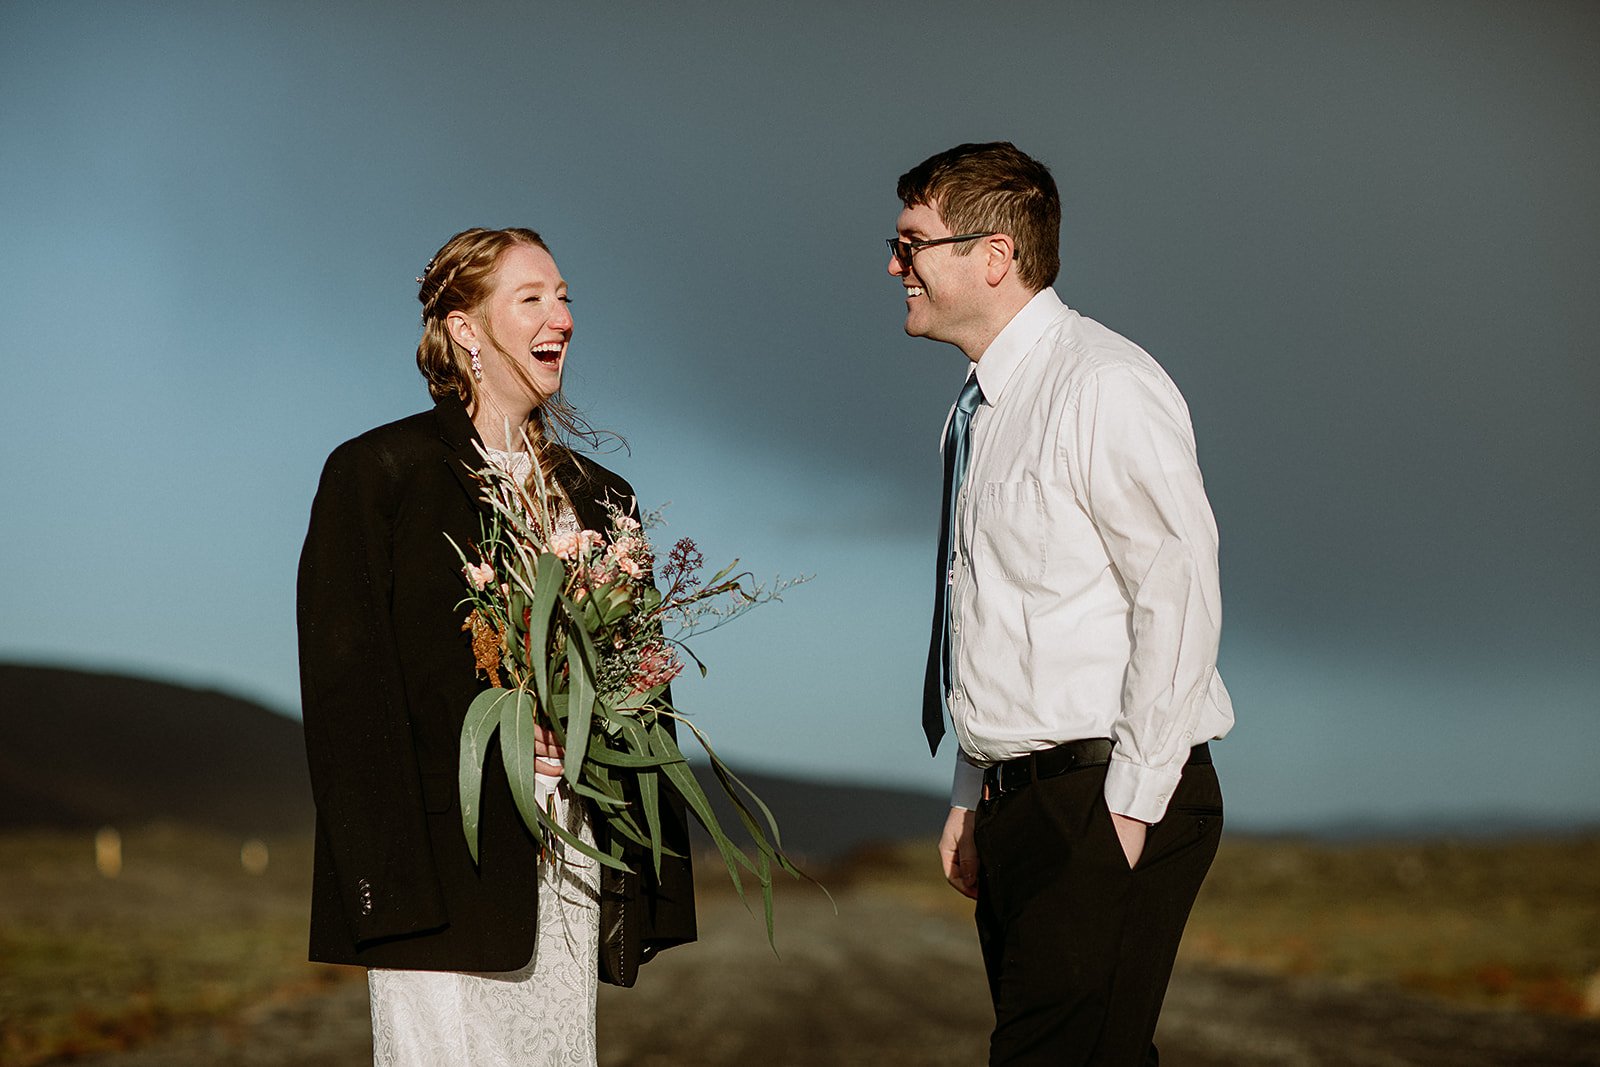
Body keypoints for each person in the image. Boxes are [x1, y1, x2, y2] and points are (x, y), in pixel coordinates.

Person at [297, 227, 695, 1066]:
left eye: (566, 297)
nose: (562, 317)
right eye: (533, 298)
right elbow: (349, 696)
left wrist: (594, 740)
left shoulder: (600, 497)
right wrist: (386, 889)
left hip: (567, 863)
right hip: (440, 872)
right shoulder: (380, 475)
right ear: (465, 328)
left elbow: (646, 685)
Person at [889, 143, 1234, 1064]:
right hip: (1023, 802)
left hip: (1107, 791)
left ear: (992, 257)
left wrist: (1127, 810)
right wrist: (975, 792)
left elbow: (1181, 585)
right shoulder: (980, 409)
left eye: (912, 241)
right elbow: (988, 623)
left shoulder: (1103, 383)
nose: (895, 265)